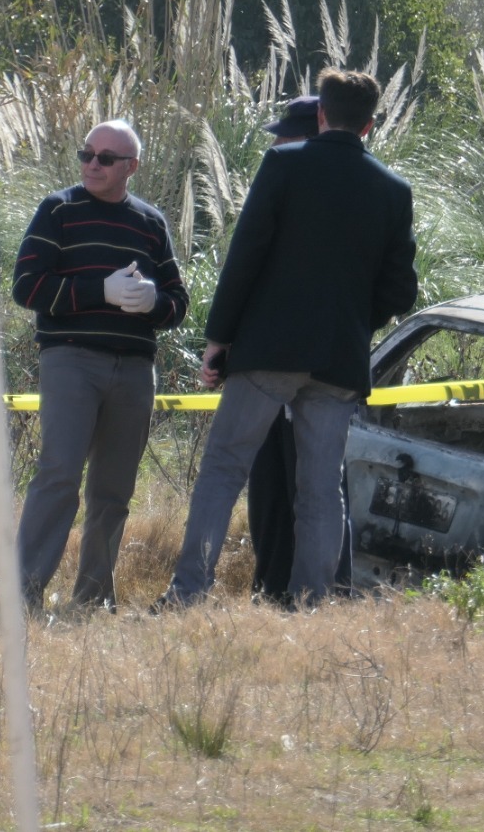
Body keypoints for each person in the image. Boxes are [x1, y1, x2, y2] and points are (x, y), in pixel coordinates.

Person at [161, 69, 418, 608]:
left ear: (320, 114)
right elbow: (400, 291)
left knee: (224, 469)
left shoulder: (284, 164)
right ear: (370, 125)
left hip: (268, 351)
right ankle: (311, 603)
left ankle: (189, 594)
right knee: (321, 490)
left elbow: (245, 256)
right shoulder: (394, 191)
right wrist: (349, 321)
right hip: (338, 361)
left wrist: (219, 338)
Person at [13, 119, 189, 614]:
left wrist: (154, 302)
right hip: (71, 358)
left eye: (106, 159)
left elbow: (179, 303)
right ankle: (23, 594)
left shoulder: (151, 224)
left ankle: (92, 599)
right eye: (87, 154)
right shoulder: (59, 210)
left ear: (130, 167)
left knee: (114, 489)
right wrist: (98, 292)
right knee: (59, 475)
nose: (93, 163)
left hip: (134, 367)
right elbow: (26, 287)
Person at [244, 95, 352, 601]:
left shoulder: (357, 193)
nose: (278, 143)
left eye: (289, 134)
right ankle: (269, 587)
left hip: (321, 370)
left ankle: (320, 593)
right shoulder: (278, 184)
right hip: (264, 364)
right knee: (267, 486)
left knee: (317, 490)